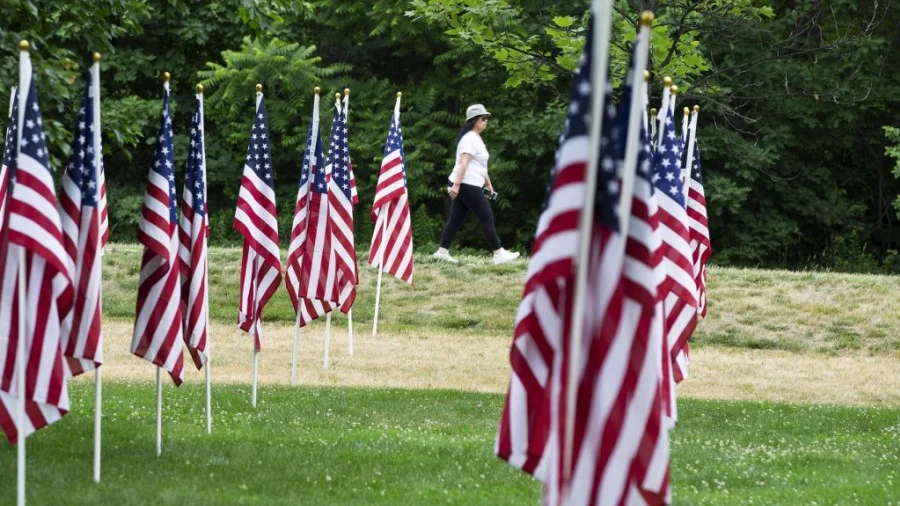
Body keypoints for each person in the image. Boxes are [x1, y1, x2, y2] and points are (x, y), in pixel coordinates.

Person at [432, 104, 520, 265]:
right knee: (486, 215)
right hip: (466, 183)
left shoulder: (476, 138)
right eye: (483, 118)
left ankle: (441, 252)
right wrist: (457, 186)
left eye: (486, 118)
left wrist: (489, 185)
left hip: (469, 183)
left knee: (456, 219)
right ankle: (498, 254)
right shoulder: (470, 139)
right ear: (473, 121)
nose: (486, 121)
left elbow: (480, 166)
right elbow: (464, 163)